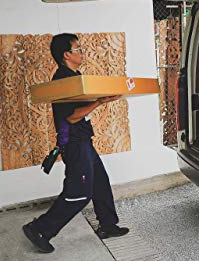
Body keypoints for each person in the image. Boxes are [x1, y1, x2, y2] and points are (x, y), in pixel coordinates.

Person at [23, 33, 129, 253]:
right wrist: (99, 102)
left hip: (83, 141)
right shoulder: (63, 80)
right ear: (66, 55)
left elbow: (80, 108)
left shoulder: (74, 76)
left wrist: (102, 97)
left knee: (100, 182)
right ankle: (40, 229)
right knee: (79, 193)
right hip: (74, 143)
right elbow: (70, 116)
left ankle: (107, 225)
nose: (82, 52)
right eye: (78, 49)